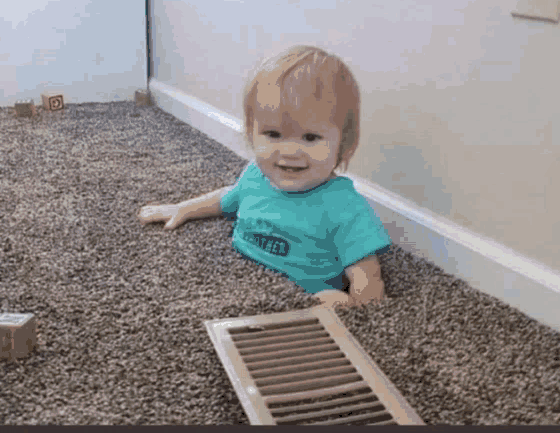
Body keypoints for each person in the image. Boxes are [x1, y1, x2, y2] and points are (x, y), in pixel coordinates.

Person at [138, 45, 391, 309]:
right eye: (273, 134)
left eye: (311, 137)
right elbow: (226, 199)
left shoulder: (346, 209)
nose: (290, 151)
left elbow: (369, 281)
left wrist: (351, 302)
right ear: (251, 134)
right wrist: (184, 208)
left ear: (345, 146)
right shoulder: (255, 176)